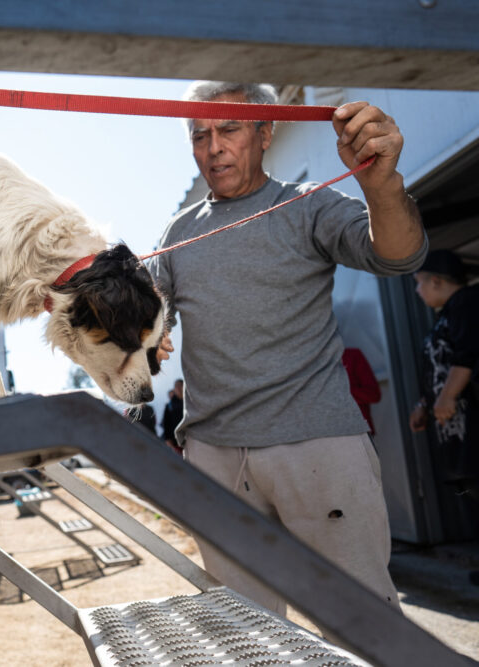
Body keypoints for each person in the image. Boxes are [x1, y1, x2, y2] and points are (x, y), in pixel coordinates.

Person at [149, 80, 427, 618]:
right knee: (249, 637)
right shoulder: (177, 234)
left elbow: (398, 257)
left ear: (265, 132)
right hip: (217, 460)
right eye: (198, 134)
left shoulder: (307, 206)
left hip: (317, 446)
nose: (214, 148)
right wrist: (139, 330)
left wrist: (382, 185)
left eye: (228, 129)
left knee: (364, 622)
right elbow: (148, 317)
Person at [409, 249, 479, 500]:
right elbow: (439, 366)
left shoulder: (466, 301)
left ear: (436, 281)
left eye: (419, 283)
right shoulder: (448, 312)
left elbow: (467, 353)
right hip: (457, 432)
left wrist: (448, 396)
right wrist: (424, 404)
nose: (417, 291)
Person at [341, 347, 381, 435]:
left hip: (360, 432)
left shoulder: (352, 355)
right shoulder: (313, 363)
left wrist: (342, 392)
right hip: (325, 437)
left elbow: (374, 394)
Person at [162, 379, 185, 453]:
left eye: (180, 385)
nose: (178, 388)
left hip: (191, 439)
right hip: (176, 442)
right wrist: (168, 439)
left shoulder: (190, 402)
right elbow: (166, 424)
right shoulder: (169, 406)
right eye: (176, 386)